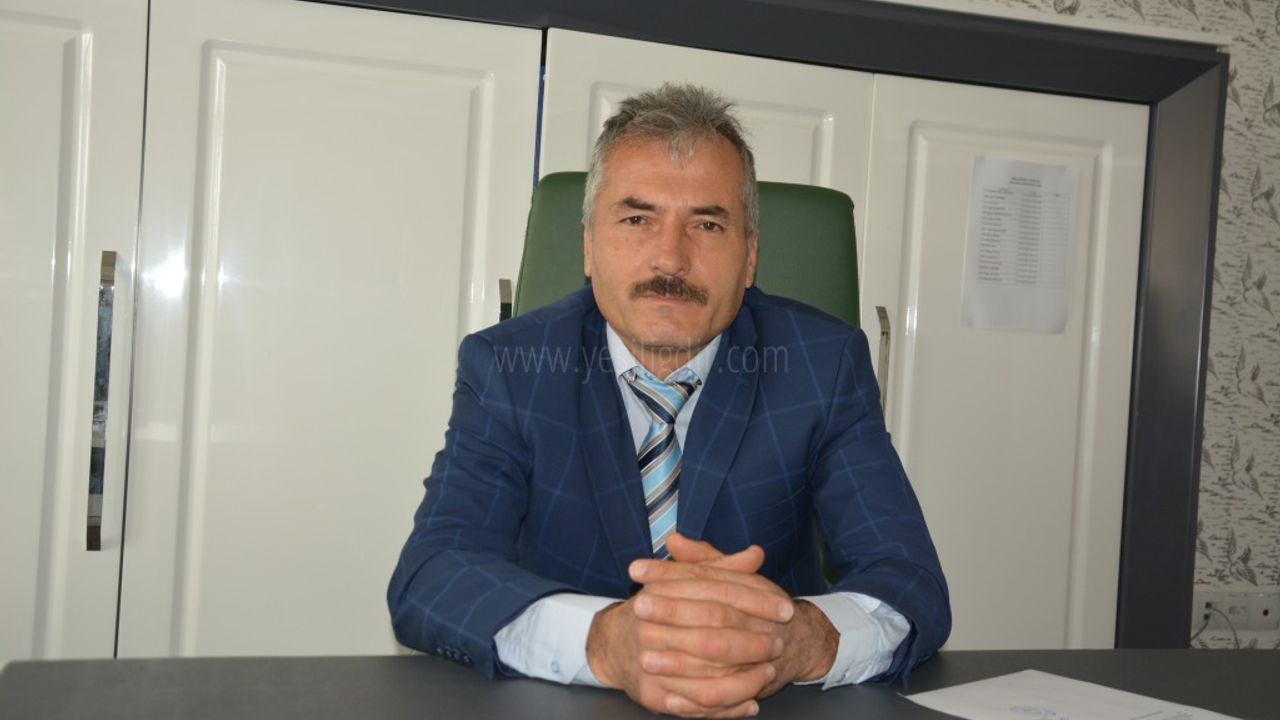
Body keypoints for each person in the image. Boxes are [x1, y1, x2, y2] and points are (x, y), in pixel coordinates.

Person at [388, 83, 949, 718]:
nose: (670, 259)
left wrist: (792, 641)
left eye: (707, 224)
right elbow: (432, 573)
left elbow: (909, 581)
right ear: (588, 246)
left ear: (749, 258)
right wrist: (606, 643)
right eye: (637, 219)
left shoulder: (822, 365)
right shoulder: (510, 369)